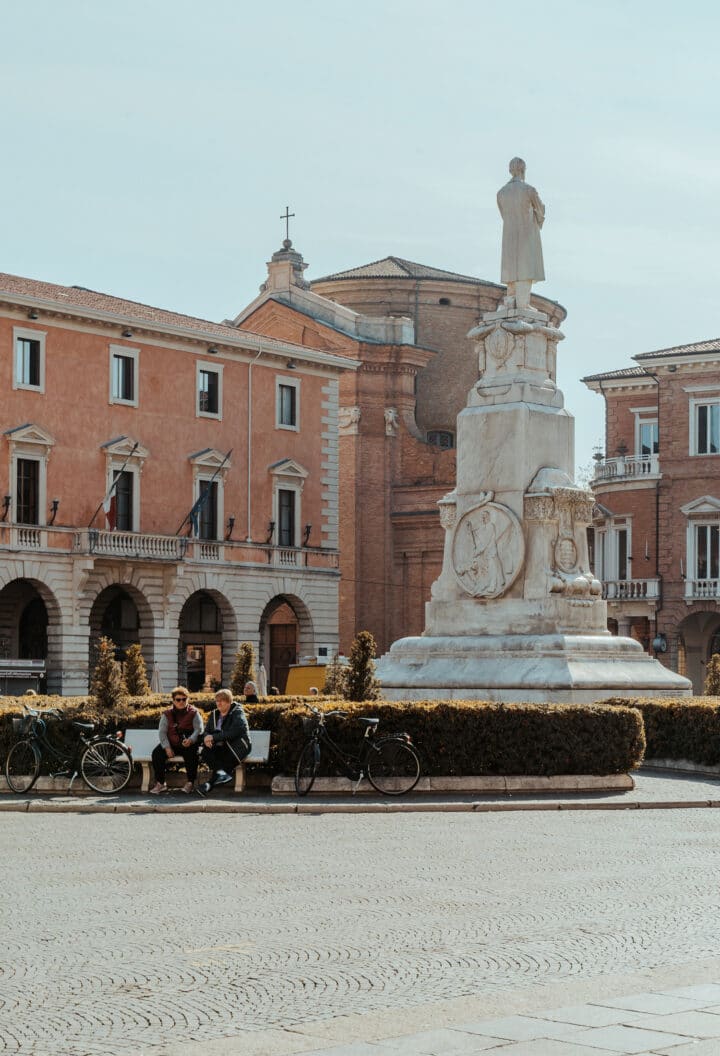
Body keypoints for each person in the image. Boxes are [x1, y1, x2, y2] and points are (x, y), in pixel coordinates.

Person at [496, 157, 545, 309]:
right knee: (525, 266)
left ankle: (511, 300)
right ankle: (523, 304)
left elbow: (503, 214)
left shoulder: (501, 193)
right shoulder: (529, 190)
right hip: (526, 234)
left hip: (509, 235)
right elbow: (540, 211)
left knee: (511, 267)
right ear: (523, 170)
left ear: (510, 170)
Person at [197, 688, 252, 795]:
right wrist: (207, 737)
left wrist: (213, 737)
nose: (219, 703)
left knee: (223, 762)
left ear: (229, 701)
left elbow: (235, 731)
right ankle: (220, 776)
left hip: (237, 746)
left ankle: (209, 785)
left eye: (222, 700)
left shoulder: (237, 712)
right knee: (204, 751)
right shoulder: (214, 714)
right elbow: (207, 731)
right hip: (221, 746)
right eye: (217, 700)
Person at [150, 686, 204, 795]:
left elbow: (199, 729)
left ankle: (190, 783)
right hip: (172, 743)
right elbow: (162, 732)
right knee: (157, 754)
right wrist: (167, 747)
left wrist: (191, 739)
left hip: (188, 743)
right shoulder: (167, 714)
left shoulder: (194, 712)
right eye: (178, 700)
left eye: (184, 699)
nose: (181, 702)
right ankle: (160, 783)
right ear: (173, 701)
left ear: (187, 699)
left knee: (191, 754)